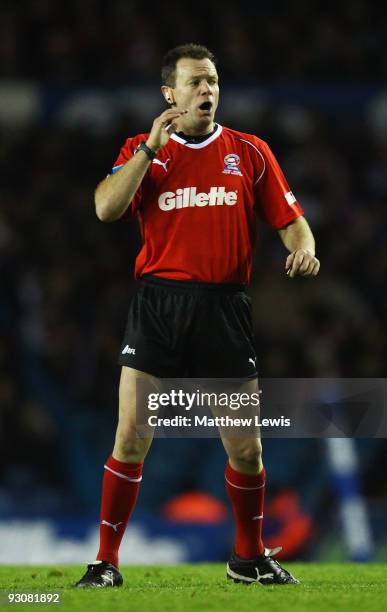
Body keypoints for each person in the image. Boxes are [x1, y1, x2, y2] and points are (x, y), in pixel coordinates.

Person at [75, 43, 320, 588]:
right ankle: (105, 561)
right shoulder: (142, 149)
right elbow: (105, 208)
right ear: (170, 95)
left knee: (246, 446)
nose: (206, 90)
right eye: (194, 82)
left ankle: (248, 556)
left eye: (211, 81)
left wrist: (303, 246)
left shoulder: (249, 152)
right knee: (132, 434)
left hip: (224, 308)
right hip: (158, 304)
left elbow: (290, 218)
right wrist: (146, 154)